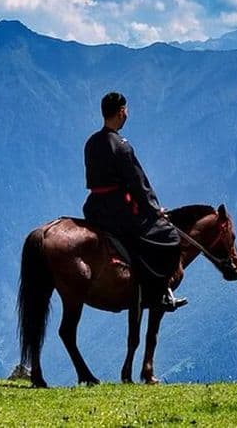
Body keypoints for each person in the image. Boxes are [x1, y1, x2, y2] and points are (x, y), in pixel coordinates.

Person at [82, 92, 187, 312]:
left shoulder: (91, 142)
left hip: (94, 208)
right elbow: (138, 183)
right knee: (168, 237)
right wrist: (155, 210)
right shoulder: (121, 146)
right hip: (118, 210)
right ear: (121, 112)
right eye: (126, 110)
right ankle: (160, 292)